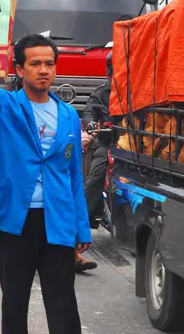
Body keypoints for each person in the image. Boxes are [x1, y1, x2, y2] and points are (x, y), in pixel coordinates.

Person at [0, 34, 91, 334]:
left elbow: (74, 175)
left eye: (49, 64)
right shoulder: (3, 106)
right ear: (19, 69)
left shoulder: (68, 115)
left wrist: (81, 226)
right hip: (16, 222)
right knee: (14, 303)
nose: (44, 70)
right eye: (35, 63)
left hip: (58, 221)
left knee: (64, 304)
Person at [75, 51, 114, 272]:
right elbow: (89, 114)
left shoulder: (139, 90)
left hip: (135, 146)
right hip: (108, 144)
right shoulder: (101, 93)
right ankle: (77, 233)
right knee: (95, 179)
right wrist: (91, 125)